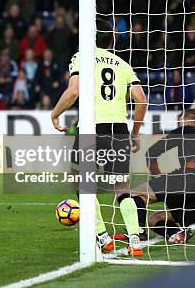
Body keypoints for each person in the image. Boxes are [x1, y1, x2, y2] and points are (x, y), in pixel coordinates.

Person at [51, 19, 148, 256]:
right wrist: (134, 133)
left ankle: (103, 237)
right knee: (122, 186)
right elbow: (142, 100)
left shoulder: (81, 57)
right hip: (118, 129)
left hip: (91, 128)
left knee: (81, 183)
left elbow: (74, 90)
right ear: (112, 40)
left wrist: (55, 114)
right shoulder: (122, 64)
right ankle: (135, 240)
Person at [124, 109, 195, 244]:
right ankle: (178, 233)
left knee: (135, 195)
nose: (179, 125)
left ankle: (139, 232)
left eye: (180, 122)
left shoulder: (185, 130)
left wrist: (156, 178)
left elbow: (151, 153)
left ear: (189, 122)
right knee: (155, 219)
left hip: (188, 181)